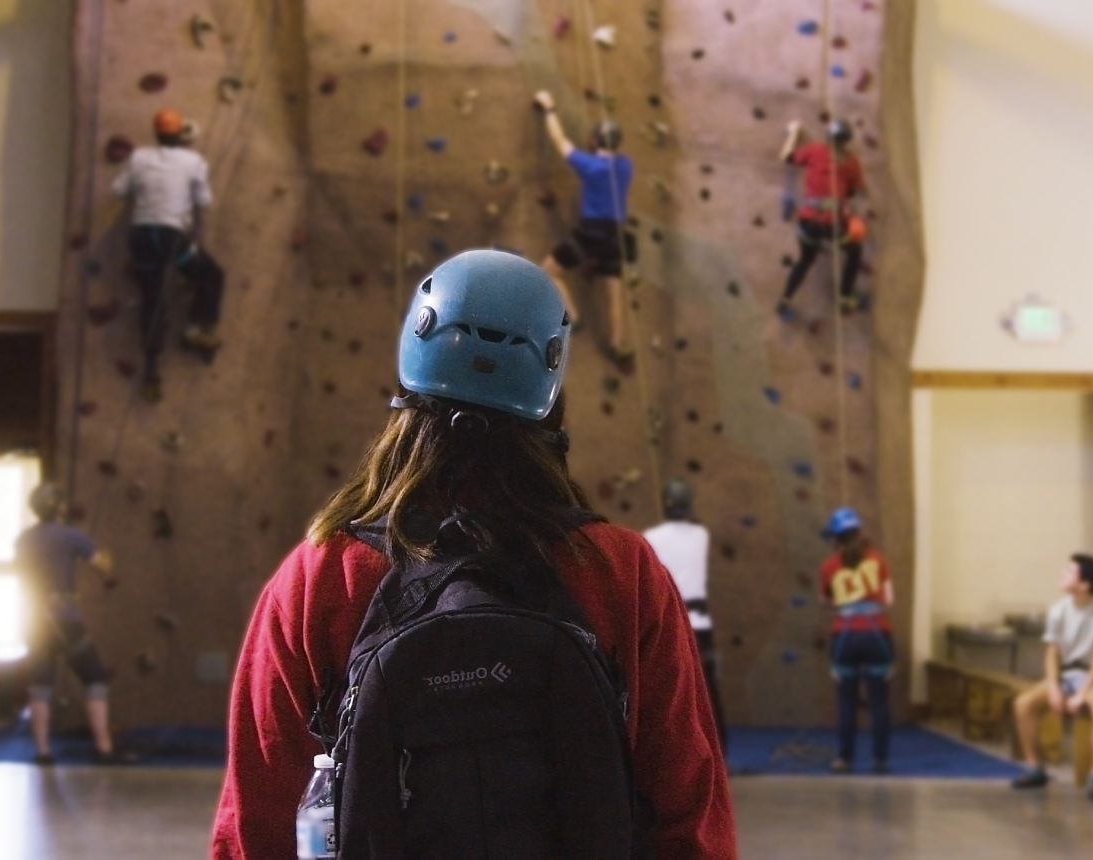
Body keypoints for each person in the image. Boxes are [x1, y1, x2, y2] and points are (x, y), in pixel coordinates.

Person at [211, 250, 735, 859]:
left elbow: (255, 826)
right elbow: (689, 818)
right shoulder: (620, 571)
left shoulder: (322, 573)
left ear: (408, 378)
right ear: (551, 390)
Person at [112, 107, 226, 403]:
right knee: (211, 275)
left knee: (152, 296)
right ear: (180, 134)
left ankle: (151, 370)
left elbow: (117, 190)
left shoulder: (138, 157)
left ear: (156, 133)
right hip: (170, 237)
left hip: (141, 237)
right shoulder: (194, 161)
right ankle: (194, 327)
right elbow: (205, 200)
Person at [15, 482, 125, 765]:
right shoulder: (71, 536)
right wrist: (105, 557)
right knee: (95, 677)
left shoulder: (23, 540)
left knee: (40, 684)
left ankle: (42, 752)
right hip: (65, 619)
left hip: (33, 618)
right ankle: (104, 747)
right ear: (60, 507)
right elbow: (103, 565)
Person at [532, 89, 635, 363]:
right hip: (615, 235)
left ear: (592, 140)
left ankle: (574, 318)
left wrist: (549, 107)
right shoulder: (625, 165)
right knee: (613, 290)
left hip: (592, 233)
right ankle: (617, 343)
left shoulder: (589, 166)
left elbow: (559, 140)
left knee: (549, 270)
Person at [1010, 554, 1093, 800]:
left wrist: (1083, 694)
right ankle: (1035, 768)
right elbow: (1051, 652)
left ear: (1085, 585)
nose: (1062, 575)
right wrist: (1054, 688)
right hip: (1067, 674)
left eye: (1070, 572)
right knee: (1024, 704)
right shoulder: (1059, 609)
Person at [644, 479, 727, 755]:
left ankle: (680, 751)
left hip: (673, 622)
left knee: (673, 690)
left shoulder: (651, 538)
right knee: (709, 691)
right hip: (700, 624)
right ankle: (719, 749)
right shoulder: (700, 534)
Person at [819, 507, 894, 774]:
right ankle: (880, 760)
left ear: (835, 539)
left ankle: (844, 759)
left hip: (845, 636)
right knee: (879, 701)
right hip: (878, 635)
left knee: (847, 701)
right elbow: (889, 598)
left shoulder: (828, 565)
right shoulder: (877, 559)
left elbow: (827, 600)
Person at [777, 118, 867, 317]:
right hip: (831, 224)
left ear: (828, 136)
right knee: (855, 251)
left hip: (807, 221)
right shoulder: (851, 162)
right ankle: (845, 298)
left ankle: (785, 301)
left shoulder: (814, 150)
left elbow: (786, 157)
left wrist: (794, 131)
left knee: (805, 260)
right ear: (846, 141)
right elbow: (858, 191)